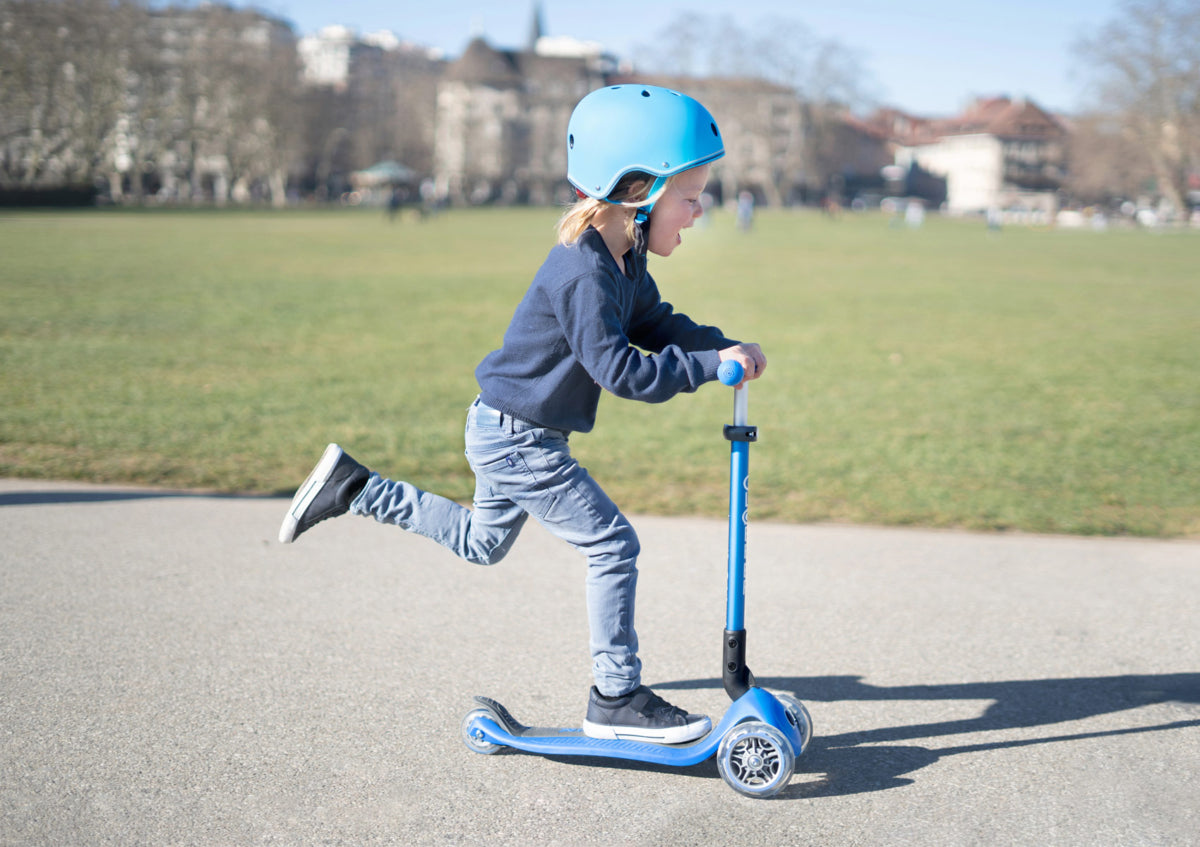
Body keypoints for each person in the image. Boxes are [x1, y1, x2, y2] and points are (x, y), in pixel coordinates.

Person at [278, 84, 767, 745]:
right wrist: (709, 370)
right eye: (690, 195)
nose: (700, 209)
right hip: (518, 439)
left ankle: (353, 485)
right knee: (612, 544)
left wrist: (718, 346)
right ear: (636, 192)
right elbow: (620, 369)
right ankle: (615, 696)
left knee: (483, 543)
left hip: (505, 426)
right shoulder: (583, 272)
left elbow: (654, 321)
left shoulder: (622, 258)